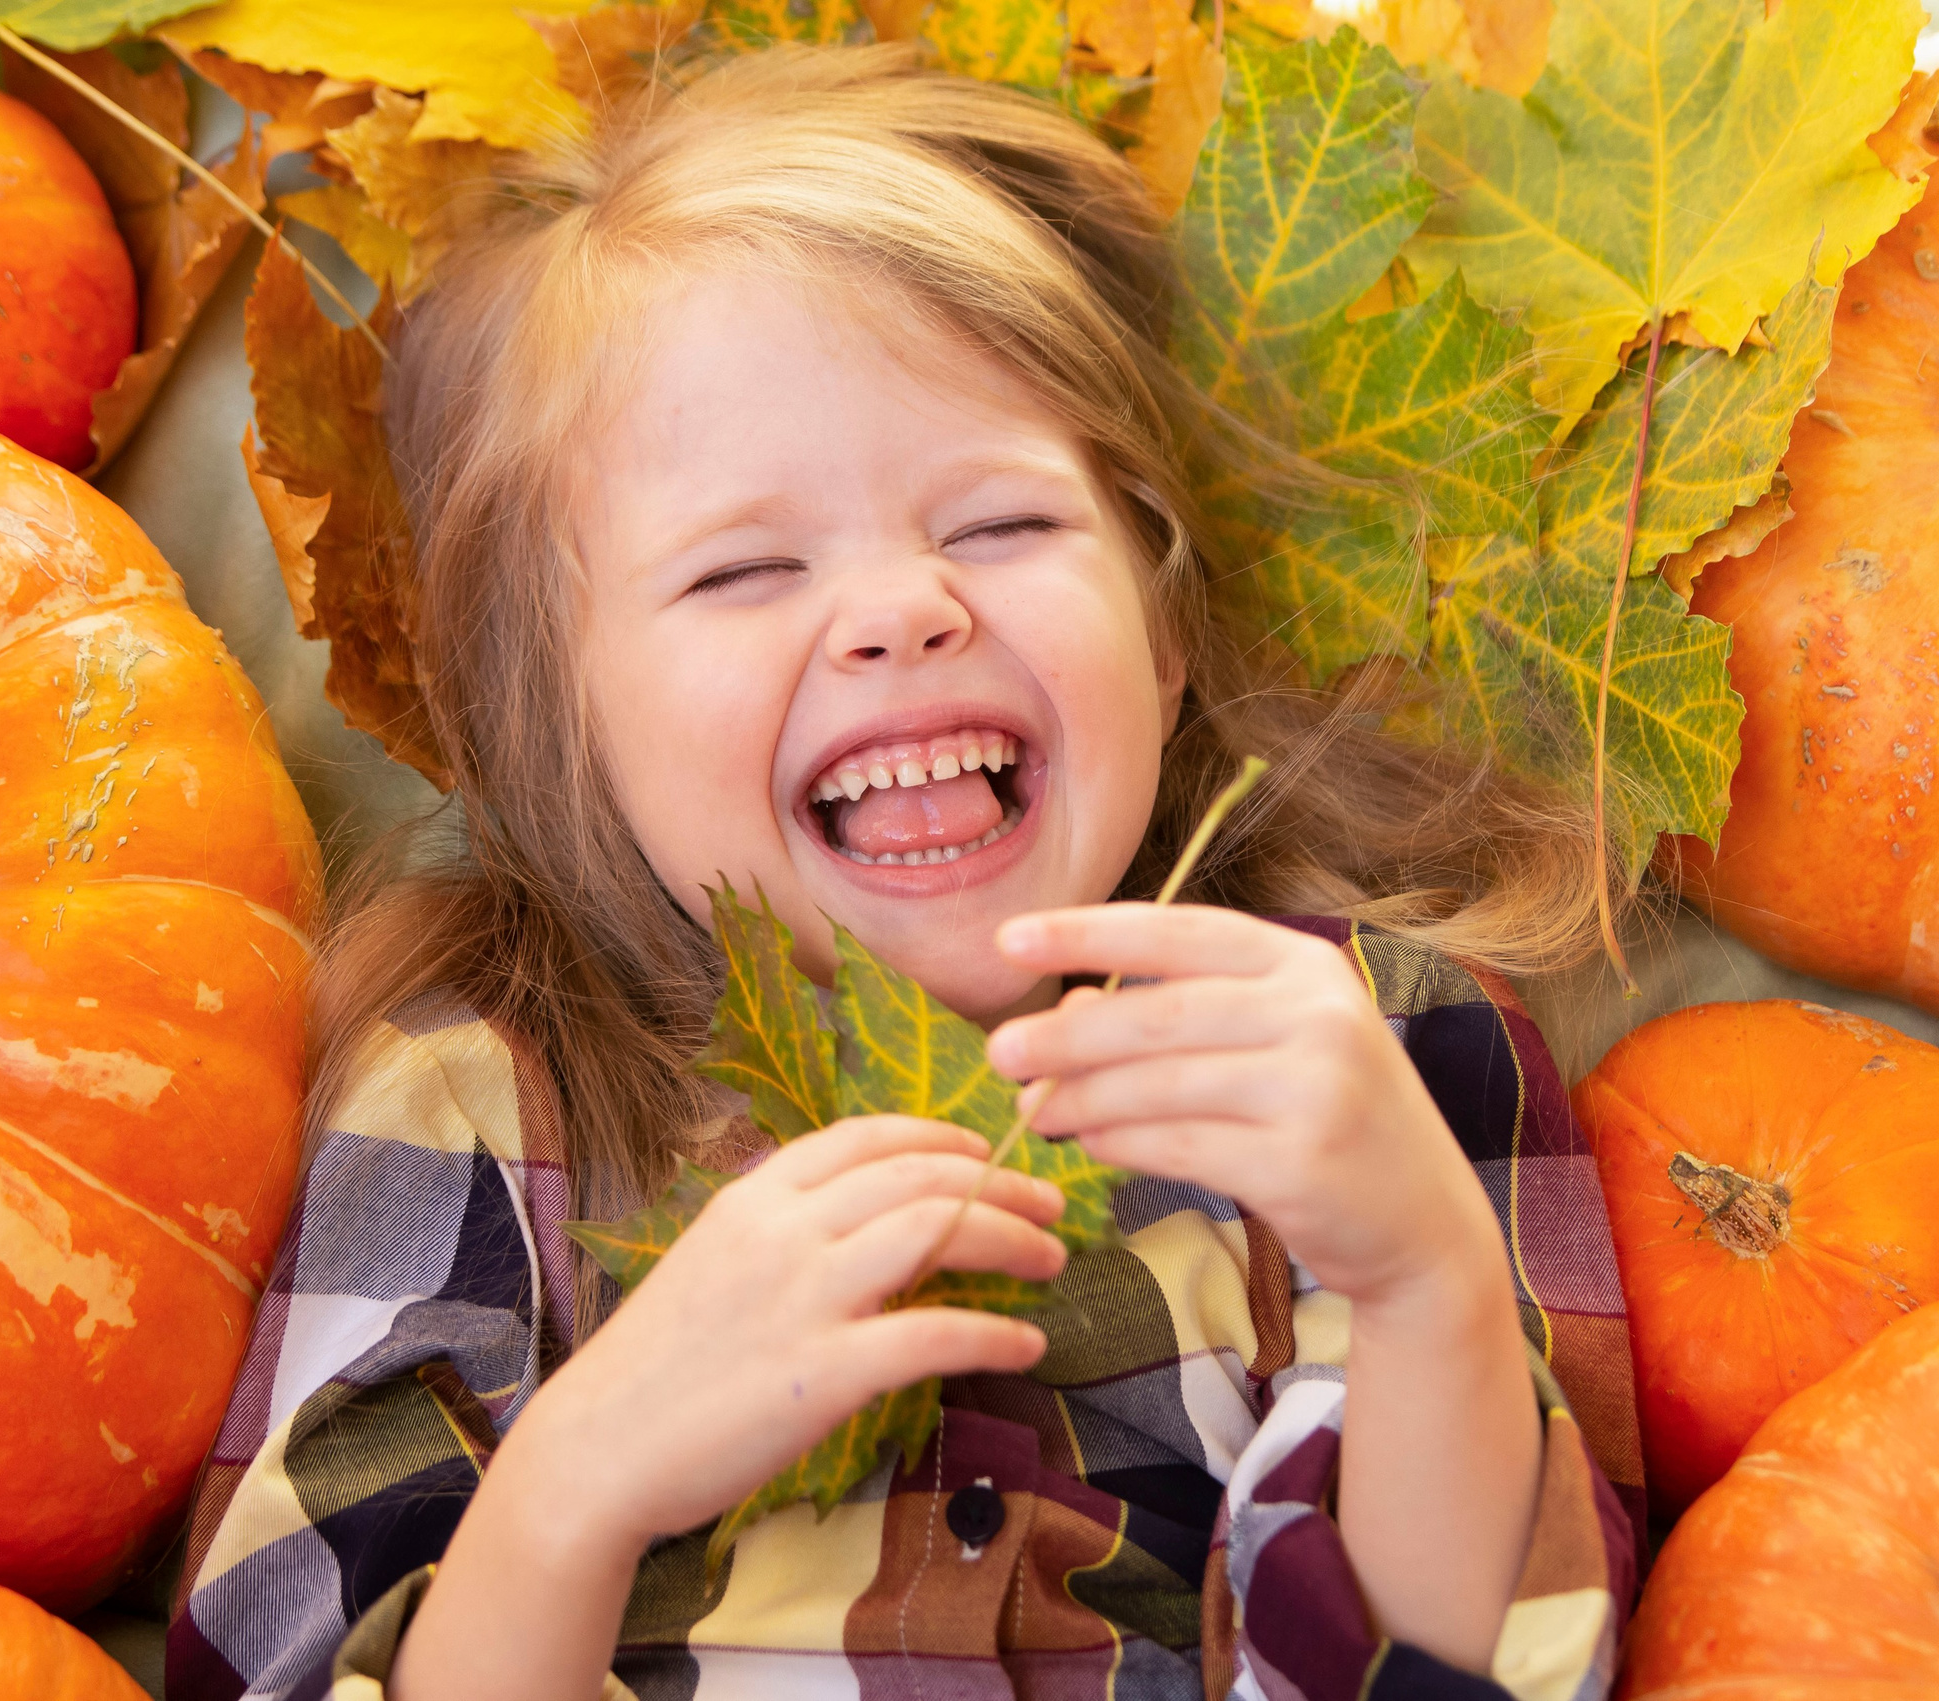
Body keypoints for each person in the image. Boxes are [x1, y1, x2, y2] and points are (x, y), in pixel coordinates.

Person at [168, 44, 1644, 1701]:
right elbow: (284, 1663)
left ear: (1161, 635)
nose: (900, 609)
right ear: (565, 731)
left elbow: (1494, 1668)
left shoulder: (1348, 1042)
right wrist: (578, 1483)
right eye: (746, 567)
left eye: (1001, 525)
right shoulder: (486, 1097)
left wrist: (1427, 1282)